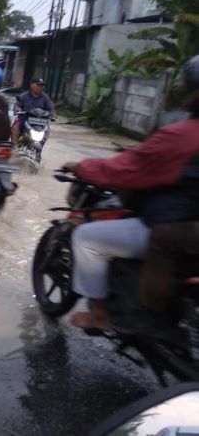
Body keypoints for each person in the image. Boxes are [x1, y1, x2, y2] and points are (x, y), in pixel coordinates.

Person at [62, 56, 199, 331]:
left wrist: (82, 166)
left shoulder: (182, 136)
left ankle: (99, 315)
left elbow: (127, 169)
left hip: (174, 225)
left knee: (87, 238)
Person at [11, 78, 56, 143]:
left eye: (42, 86)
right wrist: (17, 109)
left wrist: (52, 114)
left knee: (47, 130)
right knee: (15, 127)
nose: (40, 87)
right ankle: (14, 147)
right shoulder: (24, 96)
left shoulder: (45, 97)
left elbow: (51, 109)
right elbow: (17, 105)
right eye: (38, 85)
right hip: (24, 119)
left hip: (40, 121)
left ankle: (40, 145)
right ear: (32, 85)